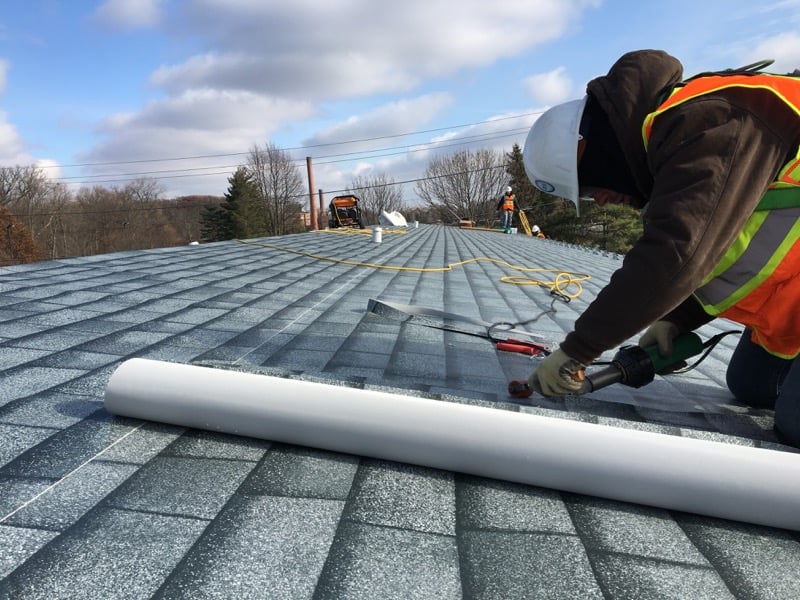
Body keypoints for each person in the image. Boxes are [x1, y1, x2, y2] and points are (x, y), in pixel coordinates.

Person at [521, 50, 800, 444]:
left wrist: (578, 349)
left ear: (596, 151)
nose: (598, 200)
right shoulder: (684, 136)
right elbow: (735, 249)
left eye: (588, 186)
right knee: (751, 386)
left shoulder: (718, 121)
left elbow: (678, 254)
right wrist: (681, 319)